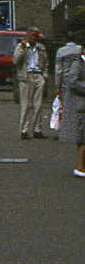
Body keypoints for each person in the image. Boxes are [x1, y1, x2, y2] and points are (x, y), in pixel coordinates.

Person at [13, 26, 48, 139]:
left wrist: (44, 76)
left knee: (38, 104)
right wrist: (22, 49)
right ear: (27, 35)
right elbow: (15, 61)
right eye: (32, 35)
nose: (34, 37)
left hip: (38, 74)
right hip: (26, 76)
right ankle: (24, 130)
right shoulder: (21, 46)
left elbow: (46, 62)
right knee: (26, 105)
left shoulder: (41, 48)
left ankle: (37, 129)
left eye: (36, 35)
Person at [56, 46, 85, 177]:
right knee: (82, 138)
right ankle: (80, 167)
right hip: (79, 105)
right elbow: (72, 82)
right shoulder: (77, 64)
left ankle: (81, 167)